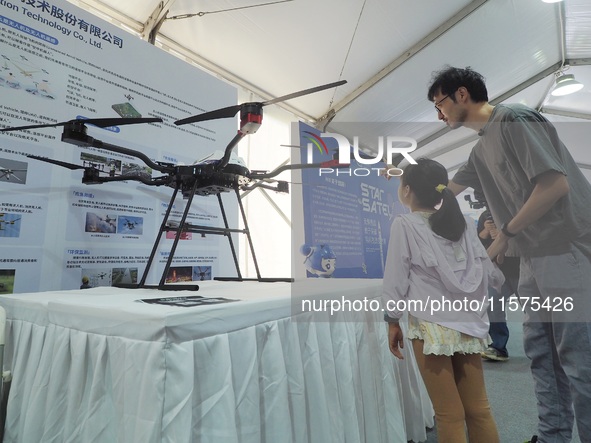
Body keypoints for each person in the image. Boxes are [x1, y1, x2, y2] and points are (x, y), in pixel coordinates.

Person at [428, 66, 591, 443]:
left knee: (579, 362)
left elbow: (554, 186)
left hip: (565, 250)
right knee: (542, 356)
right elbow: (443, 192)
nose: (439, 115)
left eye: (440, 104)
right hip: (533, 260)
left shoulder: (514, 119)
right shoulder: (480, 149)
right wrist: (409, 183)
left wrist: (505, 236)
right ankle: (552, 436)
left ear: (462, 94)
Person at [382, 158, 504, 443]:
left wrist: (392, 318)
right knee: (479, 410)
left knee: (448, 414)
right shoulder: (460, 226)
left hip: (430, 325)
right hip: (468, 324)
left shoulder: (405, 225)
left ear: (407, 190)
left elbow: (396, 278)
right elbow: (490, 273)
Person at [477, 209, 520, 362]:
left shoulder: (516, 209)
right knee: (493, 304)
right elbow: (478, 246)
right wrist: (485, 233)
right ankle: (498, 347)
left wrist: (503, 237)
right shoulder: (486, 217)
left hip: (523, 269)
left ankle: (549, 349)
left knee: (535, 309)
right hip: (499, 273)